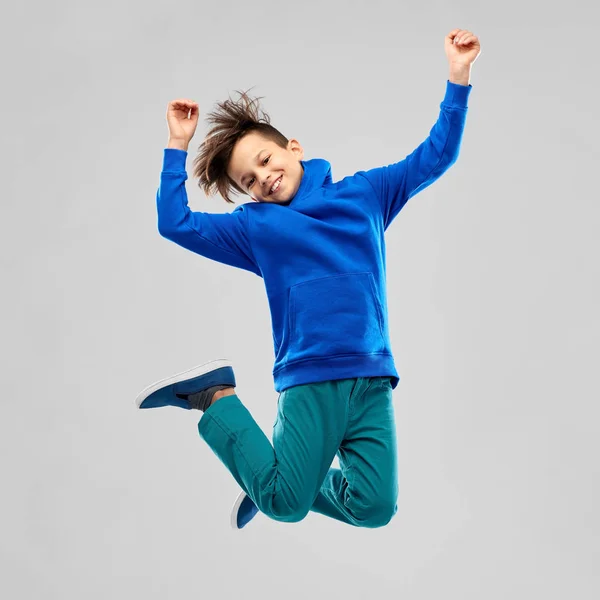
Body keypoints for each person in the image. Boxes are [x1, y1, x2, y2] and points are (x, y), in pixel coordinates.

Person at [136, 29, 481, 530]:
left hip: (372, 378)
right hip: (311, 378)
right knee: (284, 503)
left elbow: (436, 155)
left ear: (293, 147)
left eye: (265, 161)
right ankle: (214, 396)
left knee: (374, 507)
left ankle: (272, 473)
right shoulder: (258, 228)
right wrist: (176, 146)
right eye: (248, 183)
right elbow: (176, 223)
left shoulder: (367, 193)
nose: (263, 178)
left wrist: (459, 77)